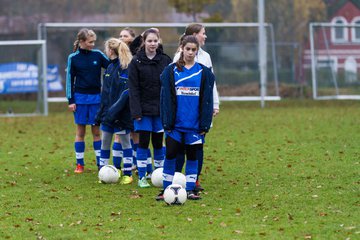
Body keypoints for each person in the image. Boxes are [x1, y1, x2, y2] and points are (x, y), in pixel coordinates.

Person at [157, 35, 214, 201]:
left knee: (192, 156)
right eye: (187, 49)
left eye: (193, 50)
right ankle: (165, 189)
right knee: (170, 155)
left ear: (197, 51)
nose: (190, 52)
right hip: (175, 125)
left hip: (194, 125)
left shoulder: (204, 72)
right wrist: (166, 121)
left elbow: (207, 100)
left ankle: (190, 190)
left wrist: (205, 124)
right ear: (181, 48)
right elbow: (165, 99)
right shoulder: (170, 71)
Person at [173, 23, 220, 191]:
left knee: (198, 145)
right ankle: (177, 179)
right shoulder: (178, 56)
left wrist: (214, 103)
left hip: (201, 109)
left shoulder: (206, 56)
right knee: (179, 146)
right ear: (193, 35)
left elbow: (211, 84)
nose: (205, 36)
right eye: (203, 33)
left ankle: (195, 179)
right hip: (184, 111)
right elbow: (173, 85)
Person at [128, 28, 172, 188]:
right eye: (149, 41)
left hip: (160, 110)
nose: (153, 44)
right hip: (143, 111)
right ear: (144, 42)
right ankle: (142, 176)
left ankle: (159, 174)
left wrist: (169, 109)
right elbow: (133, 89)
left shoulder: (166, 60)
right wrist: (136, 111)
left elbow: (170, 87)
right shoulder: (136, 62)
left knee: (158, 143)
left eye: (155, 40)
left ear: (158, 41)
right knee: (143, 143)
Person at [66, 28, 110, 173]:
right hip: (80, 100)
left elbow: (112, 67)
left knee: (97, 132)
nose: (93, 44)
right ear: (82, 42)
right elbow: (69, 81)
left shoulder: (97, 55)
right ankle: (80, 164)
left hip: (96, 99)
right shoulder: (73, 57)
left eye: (94, 42)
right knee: (80, 132)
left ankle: (100, 164)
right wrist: (71, 100)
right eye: (90, 42)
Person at [95, 38, 134, 184]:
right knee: (105, 143)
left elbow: (126, 94)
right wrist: (101, 114)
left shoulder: (126, 68)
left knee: (125, 143)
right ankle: (103, 172)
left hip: (121, 114)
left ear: (110, 50)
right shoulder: (110, 67)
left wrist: (114, 111)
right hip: (108, 115)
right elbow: (105, 94)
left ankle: (128, 174)